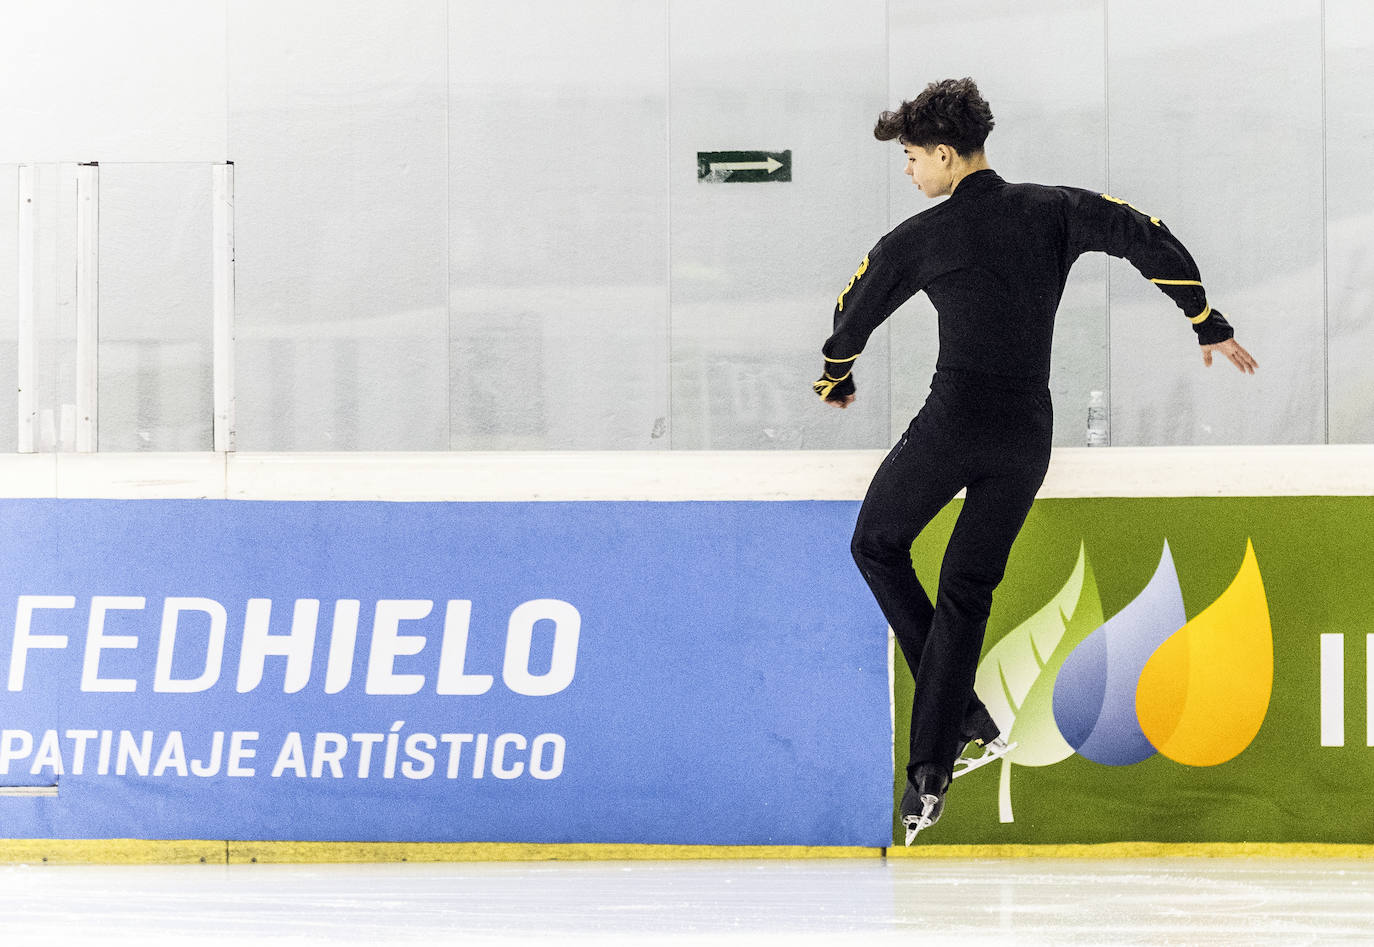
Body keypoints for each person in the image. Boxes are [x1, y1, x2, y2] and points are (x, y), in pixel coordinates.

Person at [813, 78, 1258, 844]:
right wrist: (1204, 319)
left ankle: (958, 725)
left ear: (946, 156)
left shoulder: (919, 238)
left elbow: (853, 312)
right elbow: (1144, 233)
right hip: (1027, 433)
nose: (912, 174)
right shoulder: (1055, 208)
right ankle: (932, 767)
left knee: (875, 543)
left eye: (914, 159)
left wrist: (836, 376)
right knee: (965, 593)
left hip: (955, 420)